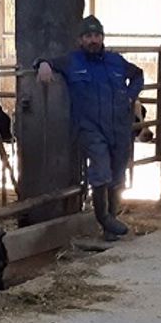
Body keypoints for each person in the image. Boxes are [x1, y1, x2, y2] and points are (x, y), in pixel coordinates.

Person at [35, 15, 144, 241]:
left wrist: (129, 96)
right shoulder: (72, 61)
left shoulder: (116, 61)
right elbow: (47, 61)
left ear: (102, 38)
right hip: (90, 127)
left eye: (96, 35)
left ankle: (110, 223)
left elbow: (138, 75)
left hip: (119, 128)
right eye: (88, 36)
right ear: (80, 40)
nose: (93, 40)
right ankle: (103, 217)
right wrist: (43, 65)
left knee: (117, 174)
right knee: (101, 169)